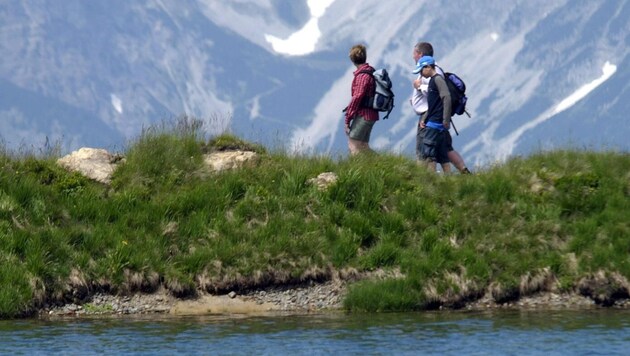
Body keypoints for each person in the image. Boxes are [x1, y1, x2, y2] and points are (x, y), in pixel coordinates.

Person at [410, 42, 471, 173]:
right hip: (438, 115)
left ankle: (422, 176)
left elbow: (437, 92)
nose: (413, 56)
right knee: (445, 148)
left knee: (425, 148)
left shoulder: (434, 74)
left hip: (430, 115)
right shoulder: (435, 70)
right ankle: (464, 172)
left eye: (414, 53)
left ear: (420, 54)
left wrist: (419, 87)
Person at [413, 56, 451, 172]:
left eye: (421, 70)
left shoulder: (437, 80)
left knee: (428, 153)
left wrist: (445, 119)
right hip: (434, 121)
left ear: (428, 67)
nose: (421, 73)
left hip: (435, 123)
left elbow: (447, 97)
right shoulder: (432, 81)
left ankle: (429, 179)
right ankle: (448, 180)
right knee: (442, 154)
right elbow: (433, 103)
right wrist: (424, 118)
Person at [344, 44, 378, 155]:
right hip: (372, 114)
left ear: (352, 59)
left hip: (364, 114)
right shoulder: (371, 72)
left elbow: (357, 97)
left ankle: (357, 171)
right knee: (363, 146)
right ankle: (384, 164)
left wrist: (348, 118)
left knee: (353, 144)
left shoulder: (362, 76)